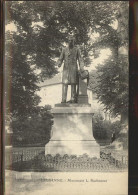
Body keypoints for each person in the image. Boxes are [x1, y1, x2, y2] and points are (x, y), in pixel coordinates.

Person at [57, 35, 84, 103]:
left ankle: (73, 99)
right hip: (66, 68)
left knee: (73, 83)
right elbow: (60, 58)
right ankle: (63, 99)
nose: (70, 42)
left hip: (73, 68)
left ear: (73, 42)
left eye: (72, 41)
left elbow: (80, 59)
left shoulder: (77, 49)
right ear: (68, 41)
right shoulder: (64, 49)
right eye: (69, 41)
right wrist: (59, 63)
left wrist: (81, 67)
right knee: (65, 83)